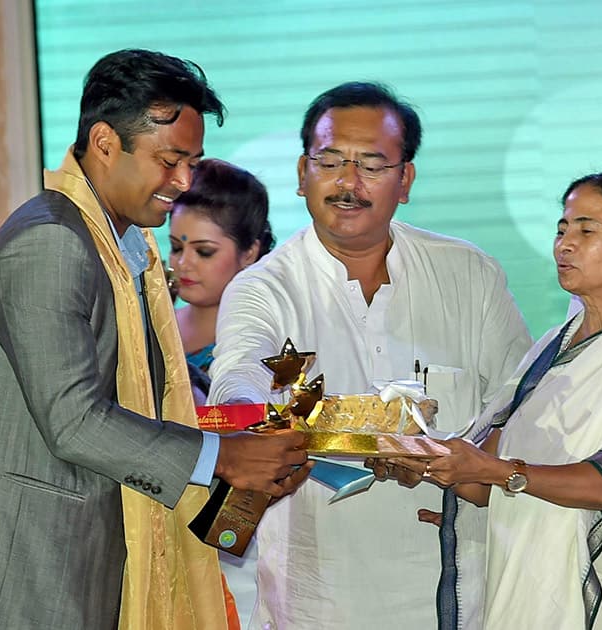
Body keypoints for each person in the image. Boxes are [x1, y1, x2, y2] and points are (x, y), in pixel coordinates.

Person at [0, 49, 309, 629]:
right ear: (105, 143)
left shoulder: (125, 247)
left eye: (191, 163)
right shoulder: (49, 244)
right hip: (21, 575)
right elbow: (74, 420)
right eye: (169, 160)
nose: (182, 181)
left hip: (82, 563)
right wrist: (223, 457)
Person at [207, 81, 532, 630]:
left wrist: (469, 475)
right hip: (318, 598)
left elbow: (521, 407)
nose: (347, 183)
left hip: (455, 582)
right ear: (301, 173)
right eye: (329, 161)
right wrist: (258, 417)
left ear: (405, 179)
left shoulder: (468, 275)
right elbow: (237, 383)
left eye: (371, 165)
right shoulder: (264, 288)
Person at [396, 172, 602, 629]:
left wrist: (493, 471)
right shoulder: (554, 344)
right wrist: (423, 461)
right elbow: (488, 482)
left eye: (586, 230)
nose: (564, 244)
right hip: (543, 590)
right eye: (561, 229)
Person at [169, 158, 275, 404]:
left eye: (204, 252)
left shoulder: (262, 339)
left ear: (249, 252)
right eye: (176, 247)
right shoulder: (149, 327)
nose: (183, 263)